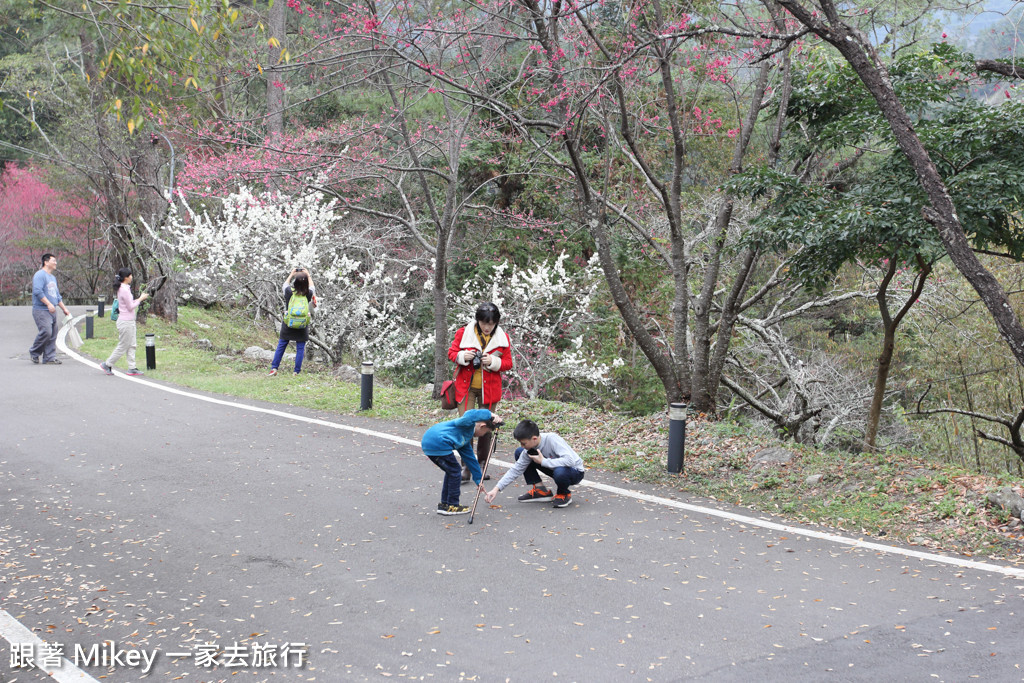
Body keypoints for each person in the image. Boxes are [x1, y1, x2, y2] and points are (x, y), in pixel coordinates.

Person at [447, 302, 512, 481]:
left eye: (491, 324)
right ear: (477, 321)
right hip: (465, 387)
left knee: (485, 426)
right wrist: (462, 357)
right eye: (484, 323)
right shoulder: (463, 333)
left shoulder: (502, 338)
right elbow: (451, 353)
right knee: (466, 425)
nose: (487, 327)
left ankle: (482, 465)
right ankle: (466, 466)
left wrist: (492, 361)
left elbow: (508, 363)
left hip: (489, 389)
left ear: (496, 323)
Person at [484, 419, 585, 508]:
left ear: (534, 439)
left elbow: (570, 461)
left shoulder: (552, 439)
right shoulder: (529, 448)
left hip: (574, 472)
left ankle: (564, 493)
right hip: (554, 468)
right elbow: (516, 469)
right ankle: (540, 491)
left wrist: (543, 462)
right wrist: (496, 489)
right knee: (519, 452)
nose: (522, 446)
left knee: (560, 471)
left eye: (524, 443)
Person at [421, 409, 501, 515]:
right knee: (455, 471)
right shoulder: (466, 424)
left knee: (451, 472)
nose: (483, 435)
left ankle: (445, 504)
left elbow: (470, 459)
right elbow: (469, 414)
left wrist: (478, 480)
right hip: (438, 442)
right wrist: (490, 414)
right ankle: (452, 505)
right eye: (486, 432)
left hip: (431, 444)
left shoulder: (465, 438)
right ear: (482, 425)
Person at [100, 268, 150, 376]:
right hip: (125, 321)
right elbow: (130, 306)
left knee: (132, 344)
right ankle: (107, 364)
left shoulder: (125, 288)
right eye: (130, 275)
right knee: (123, 345)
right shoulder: (124, 289)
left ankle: (132, 367)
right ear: (126, 277)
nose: (132, 277)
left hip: (129, 321)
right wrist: (141, 299)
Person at [269, 268, 317, 376]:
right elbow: (312, 287)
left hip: (288, 323)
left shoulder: (289, 292)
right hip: (302, 325)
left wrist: (291, 274)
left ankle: (274, 368)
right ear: (306, 283)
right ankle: (296, 371)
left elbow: (284, 284)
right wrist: (308, 275)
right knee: (300, 348)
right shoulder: (308, 293)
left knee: (281, 345)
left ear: (294, 282)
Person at [29, 253, 71, 365]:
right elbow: (37, 291)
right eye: (53, 261)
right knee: (46, 332)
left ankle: (49, 357)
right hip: (41, 310)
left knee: (53, 334)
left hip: (52, 310)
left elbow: (57, 296)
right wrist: (48, 304)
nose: (56, 263)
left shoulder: (52, 278)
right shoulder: (40, 275)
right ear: (46, 262)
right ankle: (34, 352)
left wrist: (64, 309)